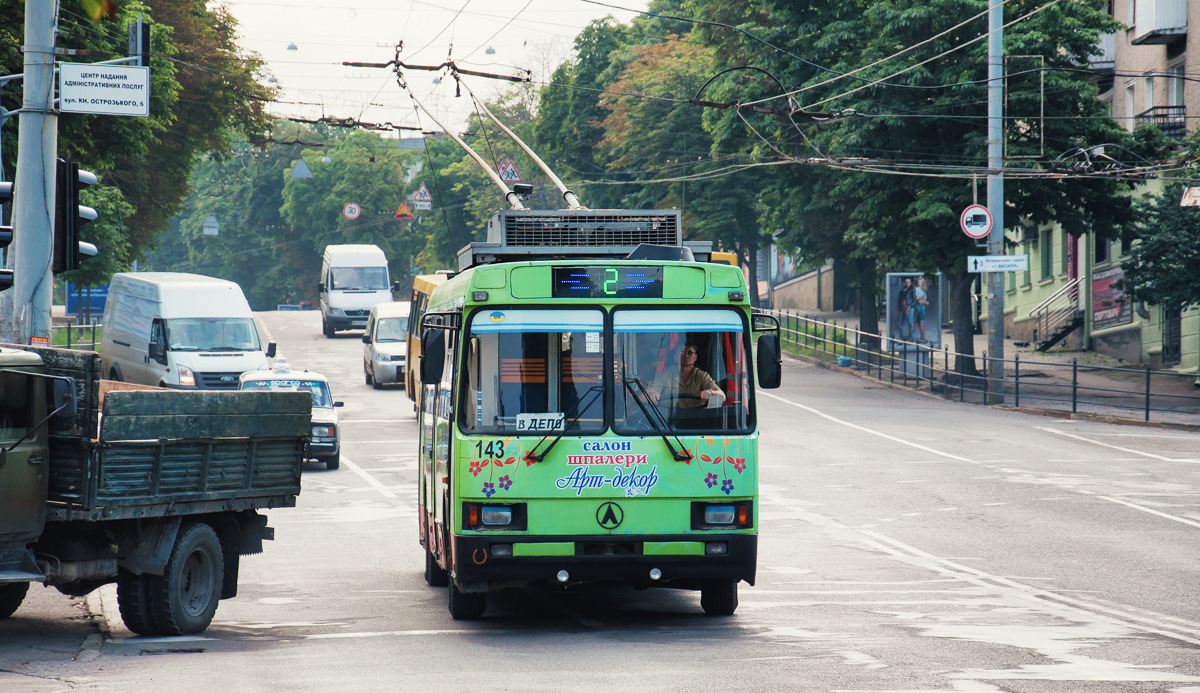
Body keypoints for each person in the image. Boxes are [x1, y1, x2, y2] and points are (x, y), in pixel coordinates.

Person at [647, 341, 723, 410]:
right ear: (675, 357)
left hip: (697, 418)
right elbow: (643, 397)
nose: (686, 355)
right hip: (667, 418)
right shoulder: (665, 375)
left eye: (689, 352)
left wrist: (710, 393)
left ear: (695, 357)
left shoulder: (702, 376)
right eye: (681, 352)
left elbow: (722, 396)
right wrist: (652, 394)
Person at [911, 278, 929, 343]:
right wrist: (922, 299)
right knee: (920, 322)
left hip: (922, 307)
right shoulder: (916, 289)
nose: (920, 284)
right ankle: (922, 336)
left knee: (919, 322)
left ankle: (911, 335)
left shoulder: (923, 291)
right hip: (918, 307)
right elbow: (915, 299)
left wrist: (925, 302)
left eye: (921, 282)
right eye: (919, 282)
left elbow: (924, 300)